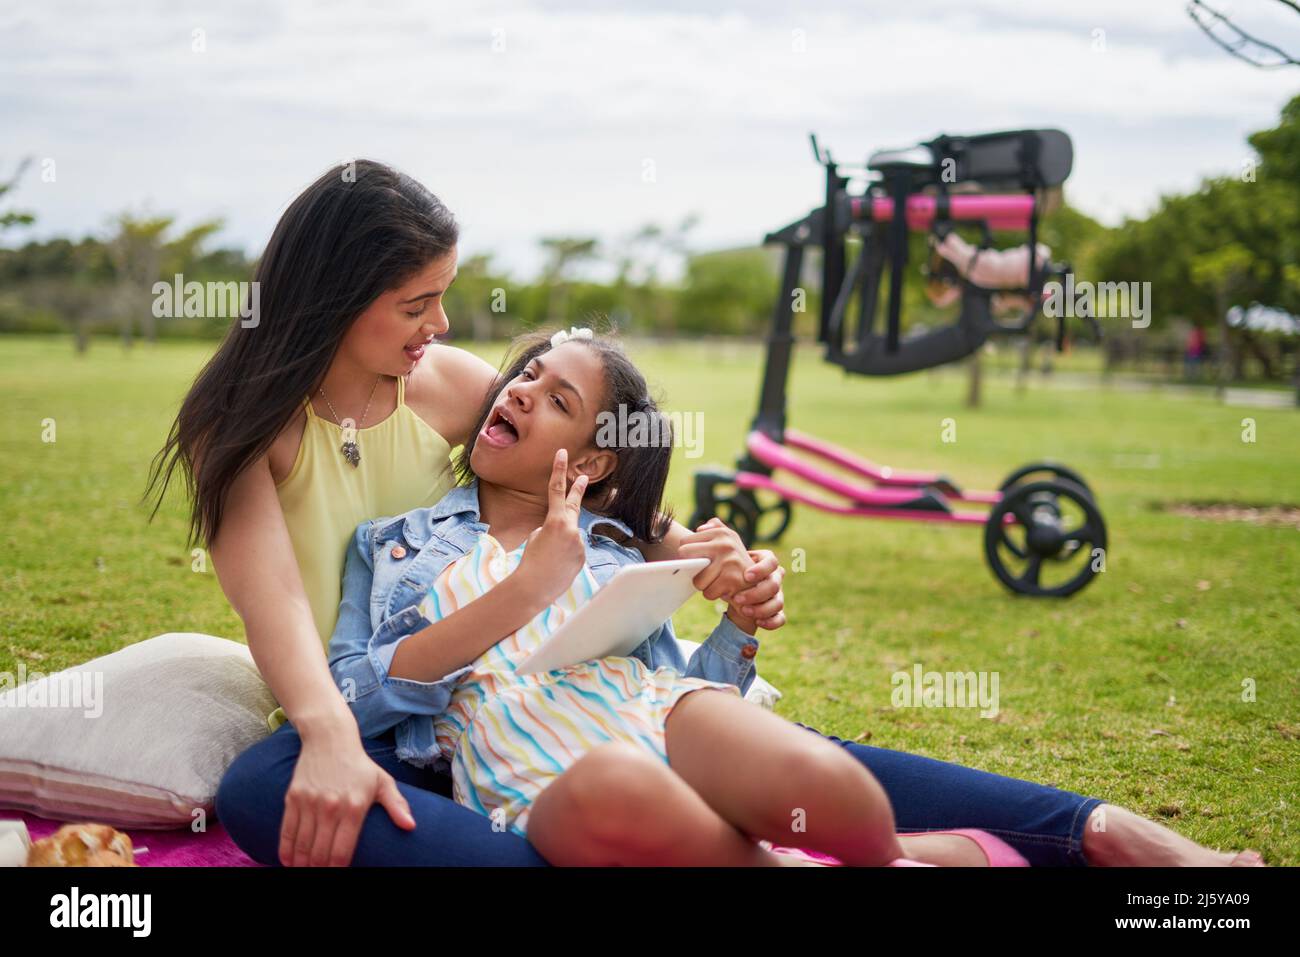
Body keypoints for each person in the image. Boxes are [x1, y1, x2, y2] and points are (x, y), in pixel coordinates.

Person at [150, 159, 1262, 866]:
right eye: (414, 302)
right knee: (276, 782)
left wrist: (689, 562)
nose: (443, 328)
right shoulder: (253, 433)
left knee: (742, 742)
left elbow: (581, 468)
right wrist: (337, 738)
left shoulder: (440, 382)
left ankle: (1086, 829)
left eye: (444, 297)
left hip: (593, 692)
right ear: (336, 300)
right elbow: (288, 620)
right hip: (394, 715)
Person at [323, 327, 1032, 865]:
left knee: (832, 787)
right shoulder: (393, 547)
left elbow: (681, 683)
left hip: (661, 714)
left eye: (556, 399)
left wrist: (738, 626)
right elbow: (351, 697)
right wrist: (526, 587)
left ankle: (892, 854)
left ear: (596, 461)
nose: (520, 390)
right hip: (536, 781)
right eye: (527, 375)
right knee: (616, 783)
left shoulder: (621, 552)